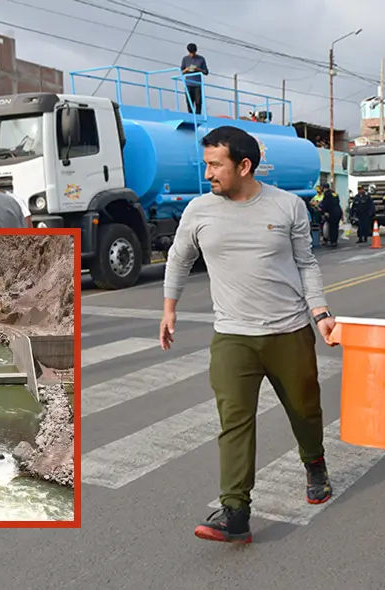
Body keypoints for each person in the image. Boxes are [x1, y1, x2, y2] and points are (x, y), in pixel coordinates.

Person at [159, 125, 337, 545]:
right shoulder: (199, 210)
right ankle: (235, 510)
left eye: (215, 164)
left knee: (305, 411)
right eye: (206, 164)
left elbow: (306, 262)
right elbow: (179, 258)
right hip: (232, 336)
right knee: (235, 422)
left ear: (243, 165)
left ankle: (314, 462)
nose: (208, 174)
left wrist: (321, 311)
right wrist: (169, 309)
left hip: (289, 330)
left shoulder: (288, 206)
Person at [181, 43, 209, 115]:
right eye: (190, 53)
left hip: (197, 84)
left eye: (193, 52)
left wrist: (198, 69)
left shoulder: (201, 59)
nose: (192, 55)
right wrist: (186, 70)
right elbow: (181, 72)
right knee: (189, 101)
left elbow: (206, 72)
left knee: (198, 102)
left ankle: (198, 116)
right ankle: (190, 115)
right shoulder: (185, 59)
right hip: (188, 83)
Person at [319, 182, 342, 247]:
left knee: (331, 227)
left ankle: (332, 241)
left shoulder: (327, 194)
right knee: (335, 227)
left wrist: (323, 211)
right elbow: (337, 202)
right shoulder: (334, 193)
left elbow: (326, 204)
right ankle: (334, 240)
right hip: (338, 211)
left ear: (324, 188)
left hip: (332, 213)